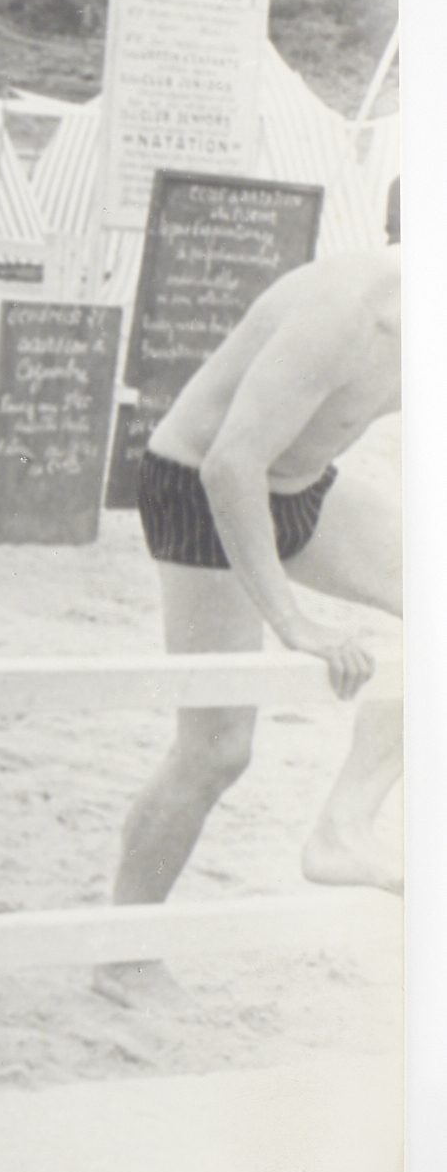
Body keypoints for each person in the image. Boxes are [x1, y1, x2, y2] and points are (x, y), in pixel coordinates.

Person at [94, 242, 402, 1009]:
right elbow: (229, 465)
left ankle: (344, 828)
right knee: (218, 749)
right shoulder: (346, 310)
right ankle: (123, 956)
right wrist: (293, 621)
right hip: (201, 488)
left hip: (299, 487)